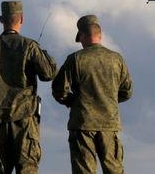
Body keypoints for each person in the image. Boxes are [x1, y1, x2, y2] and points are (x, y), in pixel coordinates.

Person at [0, 1, 57, 174]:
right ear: (21, 19)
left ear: (1, 19)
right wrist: (43, 53)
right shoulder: (30, 46)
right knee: (27, 167)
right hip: (24, 120)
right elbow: (48, 73)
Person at [52, 15, 133, 174]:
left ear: (82, 35)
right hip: (109, 124)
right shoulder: (117, 59)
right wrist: (109, 100)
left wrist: (72, 101)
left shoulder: (75, 59)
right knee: (114, 170)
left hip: (82, 124)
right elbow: (127, 91)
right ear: (100, 34)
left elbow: (58, 90)